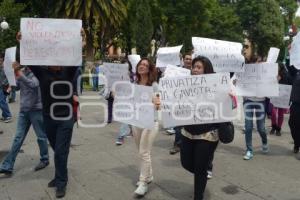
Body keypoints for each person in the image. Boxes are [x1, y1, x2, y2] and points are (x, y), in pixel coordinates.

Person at [17, 30, 82, 198]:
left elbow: (77, 54)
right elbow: (27, 59)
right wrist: (21, 42)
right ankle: (60, 175)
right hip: (48, 118)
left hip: (66, 118)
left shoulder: (68, 72)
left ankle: (61, 183)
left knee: (61, 151)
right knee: (57, 149)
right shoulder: (42, 72)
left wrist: (81, 38)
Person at [180, 56, 235, 200]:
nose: (195, 70)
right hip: (188, 132)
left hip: (207, 135)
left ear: (206, 70)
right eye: (194, 67)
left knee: (199, 168)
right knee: (186, 163)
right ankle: (204, 169)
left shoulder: (218, 87)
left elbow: (232, 106)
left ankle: (198, 196)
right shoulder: (184, 85)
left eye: (199, 67)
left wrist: (230, 99)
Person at [0, 63, 49, 175]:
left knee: (41, 136)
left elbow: (34, 84)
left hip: (36, 109)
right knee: (18, 137)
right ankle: (8, 165)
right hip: (24, 110)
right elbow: (17, 87)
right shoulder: (23, 70)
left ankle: (44, 159)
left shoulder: (39, 70)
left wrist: (19, 74)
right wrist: (12, 78)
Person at [131, 58, 160, 197]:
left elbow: (160, 104)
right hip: (136, 121)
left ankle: (143, 182)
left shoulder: (154, 85)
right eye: (140, 64)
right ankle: (149, 176)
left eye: (145, 65)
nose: (142, 66)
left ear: (149, 69)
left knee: (144, 152)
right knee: (141, 151)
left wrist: (157, 103)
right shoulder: (134, 83)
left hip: (150, 121)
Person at [241, 39, 268, 160]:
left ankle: (264, 141)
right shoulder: (246, 69)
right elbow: (238, 80)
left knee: (261, 128)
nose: (257, 64)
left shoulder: (266, 72)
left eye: (259, 62)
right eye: (256, 61)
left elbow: (271, 85)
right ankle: (249, 150)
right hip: (248, 101)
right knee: (248, 126)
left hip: (261, 102)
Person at [169, 52, 192, 155]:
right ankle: (177, 145)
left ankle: (188, 146)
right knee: (178, 126)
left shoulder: (196, 71)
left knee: (190, 126)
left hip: (192, 103)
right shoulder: (177, 71)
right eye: (186, 59)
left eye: (190, 59)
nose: (188, 60)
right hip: (179, 102)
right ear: (183, 60)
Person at [270, 63, 291, 136]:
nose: (276, 68)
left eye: (278, 66)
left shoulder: (286, 74)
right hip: (274, 96)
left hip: (282, 97)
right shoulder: (273, 73)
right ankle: (273, 126)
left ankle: (278, 129)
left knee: (280, 113)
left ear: (281, 67)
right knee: (273, 112)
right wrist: (276, 80)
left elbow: (288, 85)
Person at [287, 60, 300, 154]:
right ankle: (297, 143)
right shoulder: (297, 72)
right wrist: (290, 53)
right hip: (295, 103)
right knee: (292, 123)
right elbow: (289, 66)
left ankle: (297, 144)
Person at [0, 52, 12, 123]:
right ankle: (5, 115)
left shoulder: (6, 67)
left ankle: (8, 116)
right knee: (2, 101)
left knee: (2, 101)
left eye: (0, 60)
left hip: (5, 86)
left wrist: (10, 87)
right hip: (1, 87)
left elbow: (11, 77)